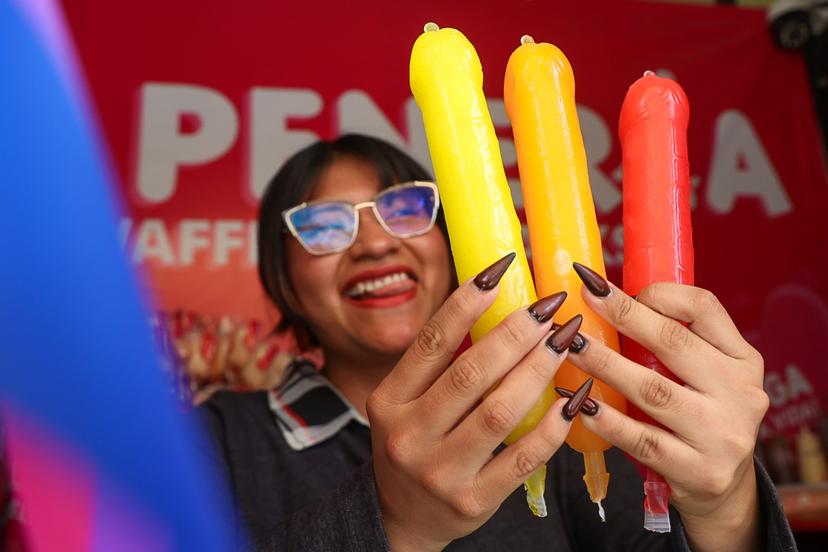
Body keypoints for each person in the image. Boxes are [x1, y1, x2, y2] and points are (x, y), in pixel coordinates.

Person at [200, 134, 795, 551]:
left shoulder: (560, 417)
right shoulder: (212, 442)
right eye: (325, 225)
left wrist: (727, 512)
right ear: (280, 277)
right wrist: (393, 526)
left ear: (448, 241)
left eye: (404, 209)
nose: (375, 244)